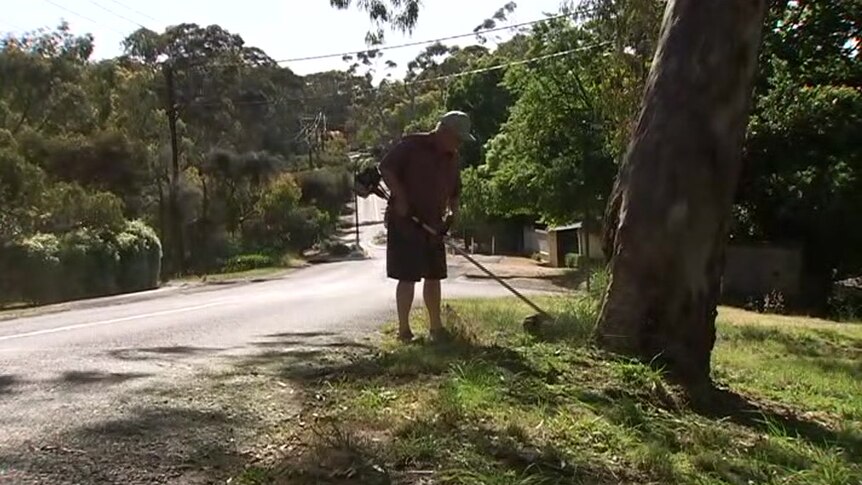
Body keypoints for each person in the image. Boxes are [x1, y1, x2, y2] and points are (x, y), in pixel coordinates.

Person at [379, 111, 475, 343]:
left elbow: (455, 191)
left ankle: (436, 329)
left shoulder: (452, 157)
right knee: (408, 276)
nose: (459, 143)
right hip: (406, 222)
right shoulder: (411, 146)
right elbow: (386, 168)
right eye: (457, 138)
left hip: (434, 225)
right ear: (444, 132)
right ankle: (404, 331)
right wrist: (401, 198)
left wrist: (453, 213)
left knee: (434, 276)